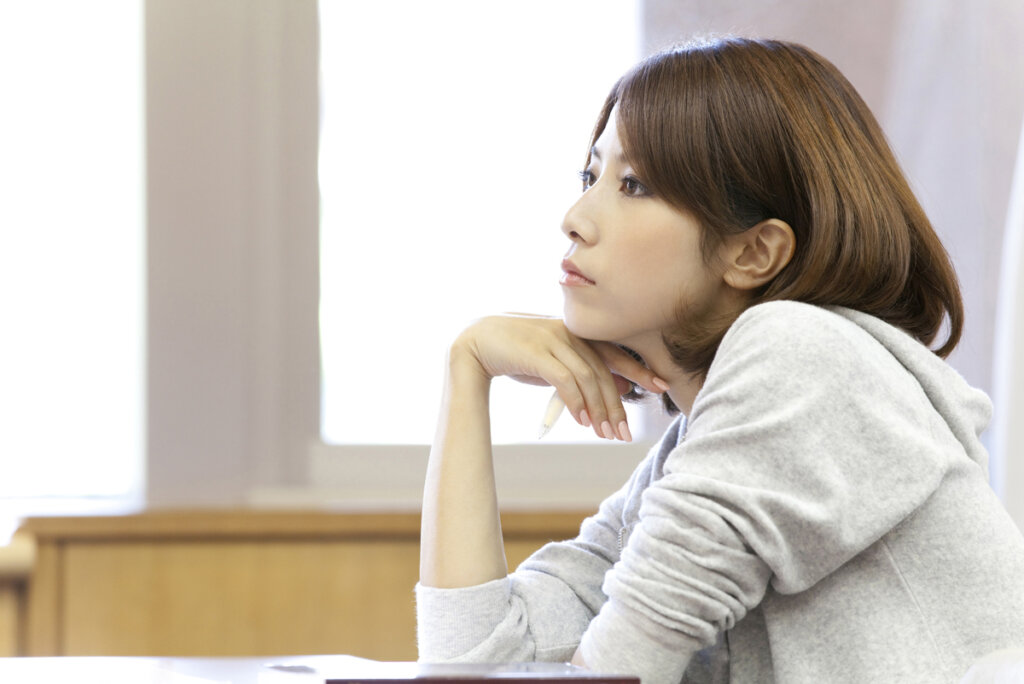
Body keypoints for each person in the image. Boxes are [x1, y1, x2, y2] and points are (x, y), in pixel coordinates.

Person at [415, 36, 1024, 683]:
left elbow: (622, 668)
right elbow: (474, 665)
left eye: (633, 185)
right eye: (590, 178)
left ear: (754, 253)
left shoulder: (800, 358)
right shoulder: (690, 449)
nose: (575, 218)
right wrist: (466, 369)